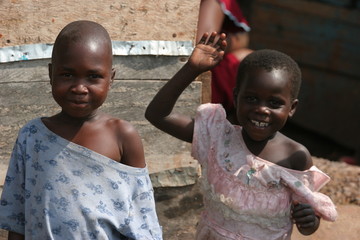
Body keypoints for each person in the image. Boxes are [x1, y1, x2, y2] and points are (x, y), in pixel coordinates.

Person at [145, 32, 337, 239]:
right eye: (252, 98)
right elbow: (157, 114)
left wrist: (309, 219)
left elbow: (307, 224)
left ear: (292, 108)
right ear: (236, 97)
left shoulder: (295, 156)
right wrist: (192, 69)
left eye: (274, 103)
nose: (261, 109)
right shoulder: (217, 136)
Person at [0, 20, 163, 240]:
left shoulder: (122, 136)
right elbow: (17, 218)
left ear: (111, 79)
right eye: (67, 75)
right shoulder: (32, 136)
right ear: (51, 74)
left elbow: (143, 219)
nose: (79, 88)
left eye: (93, 76)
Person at [197, 0, 253, 123]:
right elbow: (204, 46)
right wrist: (235, 41)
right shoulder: (214, 2)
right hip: (196, 76)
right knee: (250, 61)